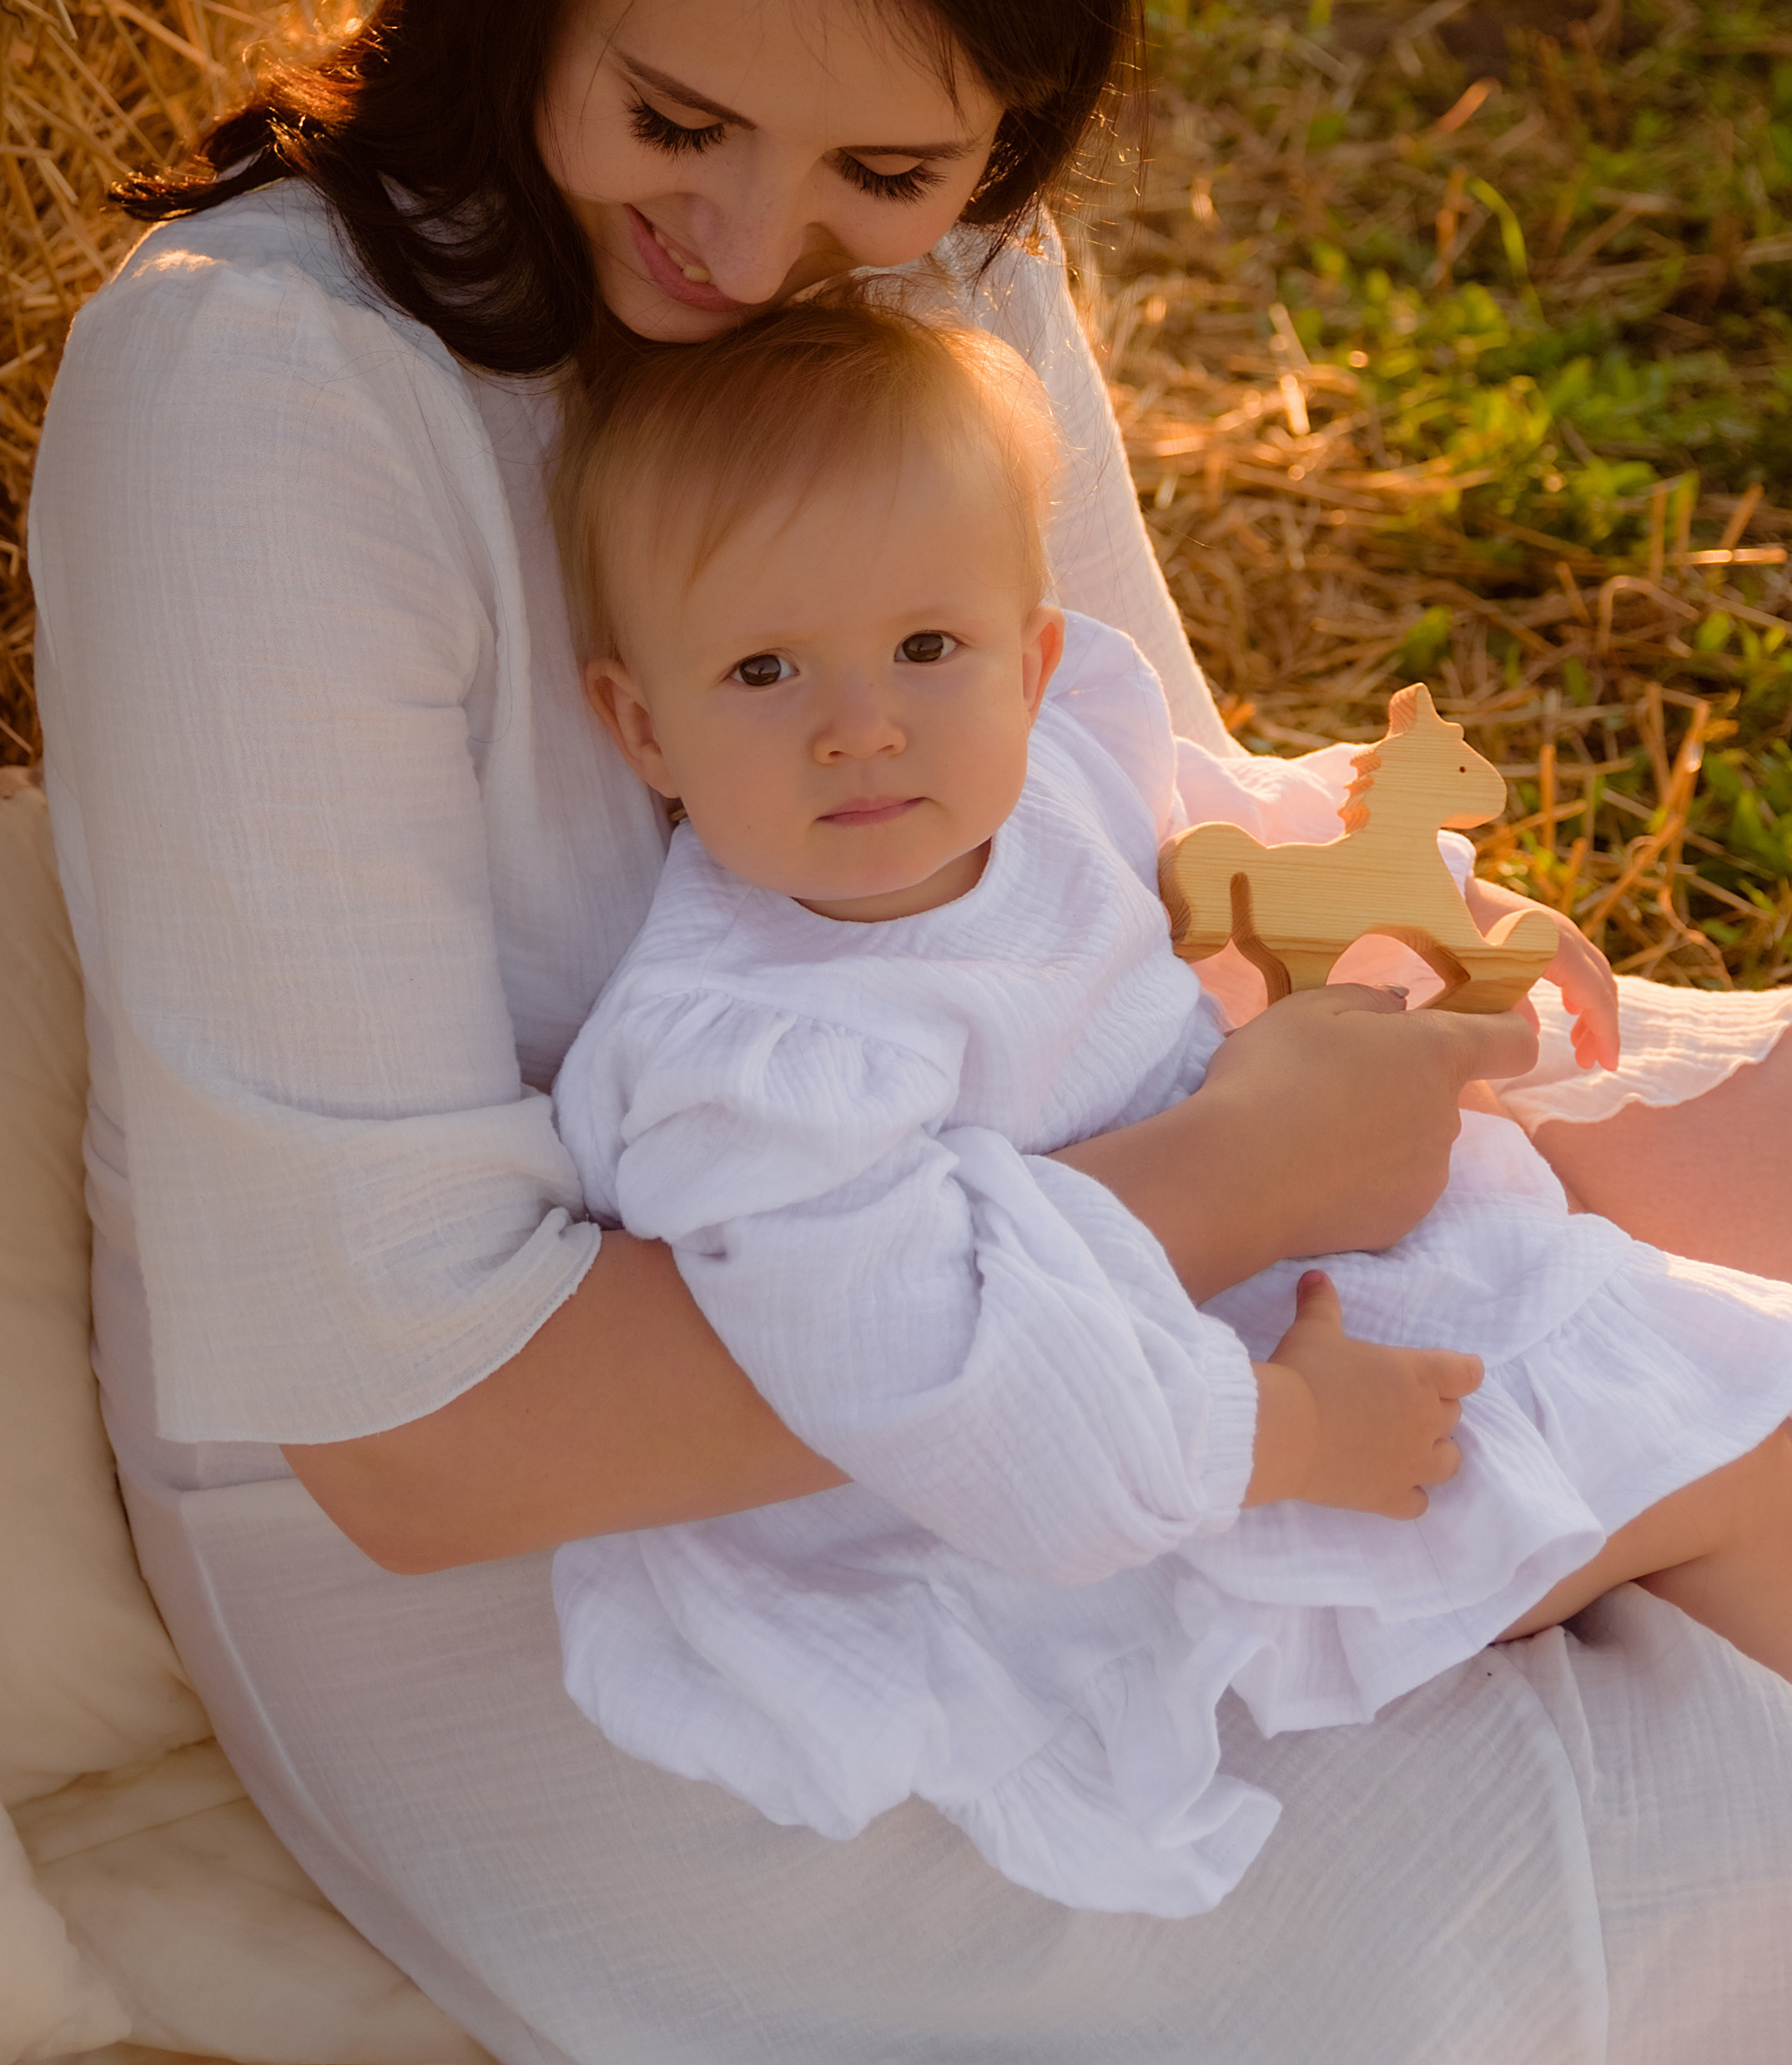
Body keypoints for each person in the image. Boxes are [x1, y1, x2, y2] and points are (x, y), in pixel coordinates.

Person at [28, 0, 1792, 2065]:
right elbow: (418, 1443)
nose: (752, 251)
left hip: (1065, 1205)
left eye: (886, 166)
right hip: (608, 1557)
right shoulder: (262, 401)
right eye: (671, 121)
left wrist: (1425, 977)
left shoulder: (949, 267)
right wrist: (1238, 1182)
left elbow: (1112, 824)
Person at [546, 290, 1792, 1920]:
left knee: (1694, 1362)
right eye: (762, 669)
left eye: (926, 647)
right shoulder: (749, 1063)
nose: (860, 723)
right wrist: (1276, 1438)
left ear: (1030, 654)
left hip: (1301, 1296)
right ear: (642, 723)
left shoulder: (1053, 751)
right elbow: (930, 1372)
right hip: (1135, 1473)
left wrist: (1437, 919)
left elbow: (1229, 839)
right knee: (1757, 1440)